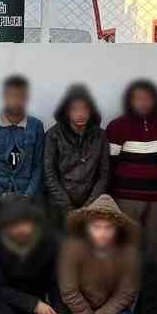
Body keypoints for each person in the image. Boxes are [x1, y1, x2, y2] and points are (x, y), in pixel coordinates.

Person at [56, 195, 143, 314]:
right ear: (87, 227)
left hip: (110, 312)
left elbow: (127, 292)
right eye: (96, 227)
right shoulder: (72, 248)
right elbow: (69, 291)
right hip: (78, 311)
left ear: (117, 228)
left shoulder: (128, 251)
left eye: (108, 228)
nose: (102, 233)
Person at [106, 79, 157, 259]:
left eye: (148, 98)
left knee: (155, 249)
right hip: (126, 198)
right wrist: (110, 201)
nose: (143, 103)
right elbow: (109, 166)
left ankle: (152, 278)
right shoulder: (117, 126)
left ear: (155, 100)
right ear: (130, 101)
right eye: (138, 98)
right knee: (126, 247)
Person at [44, 83, 109, 226]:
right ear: (66, 111)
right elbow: (49, 174)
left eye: (85, 109)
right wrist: (67, 207)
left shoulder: (100, 135)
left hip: (92, 205)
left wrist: (88, 207)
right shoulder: (53, 135)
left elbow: (103, 174)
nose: (80, 114)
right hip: (59, 205)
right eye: (74, 109)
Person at [0, 75, 45, 209]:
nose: (16, 101)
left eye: (20, 96)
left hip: (27, 195)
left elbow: (38, 165)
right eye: (12, 96)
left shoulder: (36, 126)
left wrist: (28, 195)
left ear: (26, 98)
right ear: (4, 97)